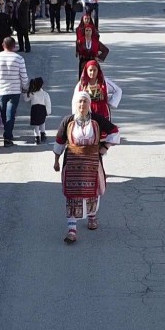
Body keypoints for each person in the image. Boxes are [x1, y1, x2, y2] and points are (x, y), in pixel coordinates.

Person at [53, 90, 120, 243]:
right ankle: (72, 230)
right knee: (72, 196)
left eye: (85, 102)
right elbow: (59, 140)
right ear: (75, 104)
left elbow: (114, 131)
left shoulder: (97, 120)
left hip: (92, 163)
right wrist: (56, 160)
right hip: (72, 164)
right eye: (79, 102)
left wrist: (105, 148)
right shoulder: (67, 121)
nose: (82, 105)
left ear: (90, 104)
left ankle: (92, 216)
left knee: (92, 191)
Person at [0, 37, 29, 147]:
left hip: (0, 91)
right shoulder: (19, 58)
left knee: (4, 114)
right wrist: (25, 88)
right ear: (14, 46)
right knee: (10, 114)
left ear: (3, 45)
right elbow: (24, 76)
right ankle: (8, 136)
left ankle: (8, 134)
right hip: (14, 90)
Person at [24, 76, 51, 144]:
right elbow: (47, 102)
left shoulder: (32, 93)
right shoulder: (44, 93)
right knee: (42, 122)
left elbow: (26, 99)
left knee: (36, 125)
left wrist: (25, 92)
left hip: (34, 109)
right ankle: (43, 134)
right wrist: (48, 111)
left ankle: (37, 137)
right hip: (42, 109)